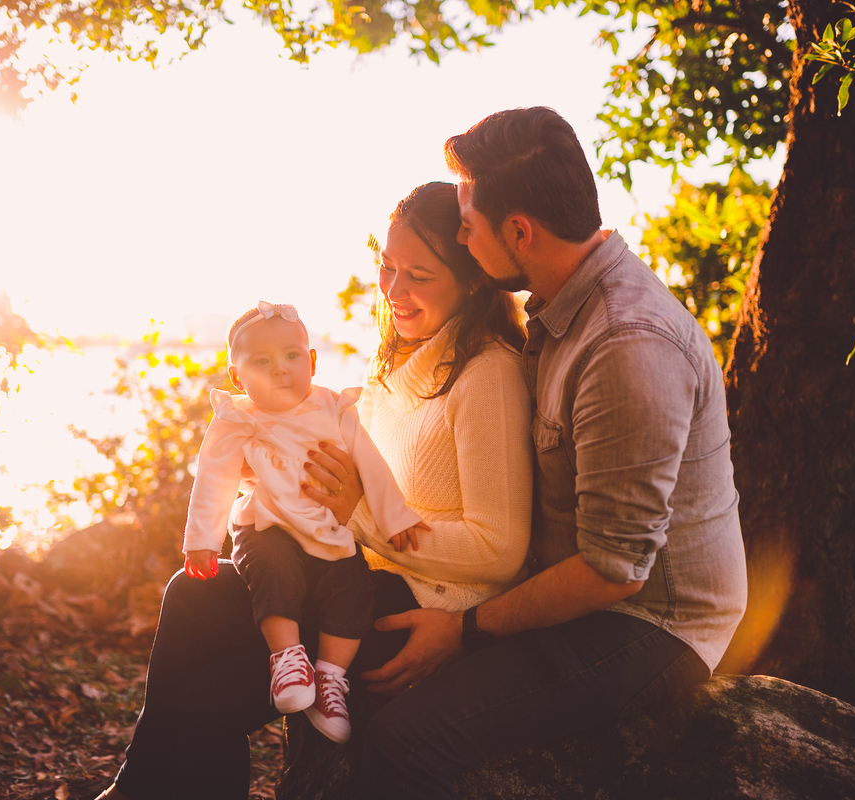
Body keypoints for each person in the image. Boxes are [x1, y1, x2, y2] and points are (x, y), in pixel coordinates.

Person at [351, 106, 748, 799]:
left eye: (468, 229)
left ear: (519, 232)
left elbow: (614, 570)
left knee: (410, 738)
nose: (463, 242)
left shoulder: (627, 346)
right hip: (581, 590)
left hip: (649, 624)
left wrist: (462, 631)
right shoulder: (560, 306)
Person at [94, 180, 533, 800]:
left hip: (414, 607)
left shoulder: (487, 373)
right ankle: (134, 792)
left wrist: (356, 514)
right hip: (354, 574)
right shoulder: (402, 364)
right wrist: (274, 473)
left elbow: (500, 550)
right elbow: (340, 467)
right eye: (388, 267)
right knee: (194, 596)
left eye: (420, 275)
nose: (395, 291)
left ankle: (132, 794)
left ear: (471, 281)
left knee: (201, 690)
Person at [181, 300, 426, 742]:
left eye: (292, 356)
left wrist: (394, 519)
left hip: (326, 529)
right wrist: (202, 539)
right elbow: (214, 479)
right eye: (262, 361)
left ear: (312, 361)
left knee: (352, 584)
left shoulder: (334, 408)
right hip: (266, 526)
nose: (281, 369)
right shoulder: (239, 418)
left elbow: (371, 465)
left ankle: (329, 679)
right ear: (237, 377)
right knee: (273, 570)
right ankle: (288, 661)